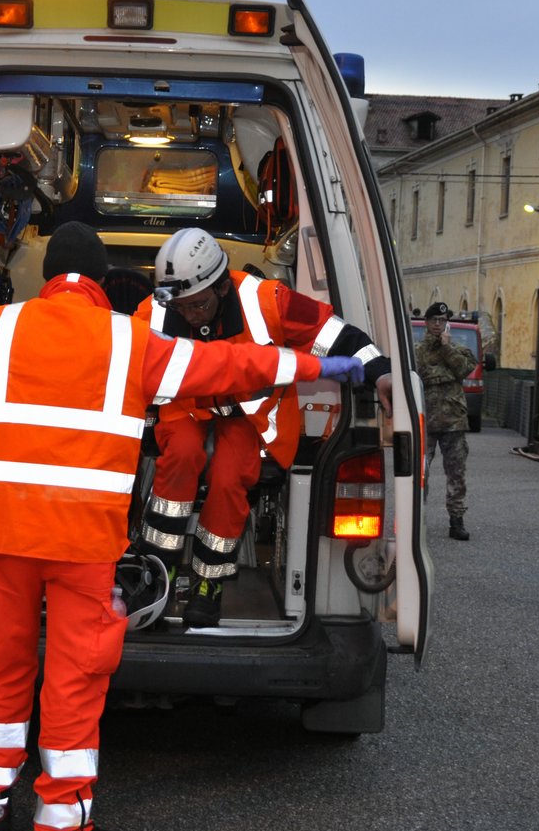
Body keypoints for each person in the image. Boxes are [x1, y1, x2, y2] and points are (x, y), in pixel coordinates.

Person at [0, 221, 363, 831]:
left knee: (4, 663)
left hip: (7, 540)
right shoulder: (133, 340)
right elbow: (231, 366)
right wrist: (320, 364)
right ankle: (60, 828)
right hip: (84, 546)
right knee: (74, 677)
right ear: (99, 283)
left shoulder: (0, 330)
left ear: (47, 278)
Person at [130, 227, 393, 625]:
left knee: (230, 475)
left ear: (220, 288)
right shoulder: (155, 311)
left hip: (244, 416)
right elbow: (122, 360)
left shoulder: (266, 300)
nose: (189, 314)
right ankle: (159, 573)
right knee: (181, 455)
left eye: (198, 305)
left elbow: (337, 334)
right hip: (184, 407)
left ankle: (208, 584)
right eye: (181, 306)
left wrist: (383, 373)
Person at [415, 301, 476, 541]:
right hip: (427, 422)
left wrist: (447, 349)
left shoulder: (459, 350)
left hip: (453, 422)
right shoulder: (417, 351)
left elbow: (462, 370)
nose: (438, 325)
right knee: (420, 473)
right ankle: (416, 520)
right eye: (434, 321)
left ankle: (456, 520)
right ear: (427, 323)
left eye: (442, 321)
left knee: (456, 474)